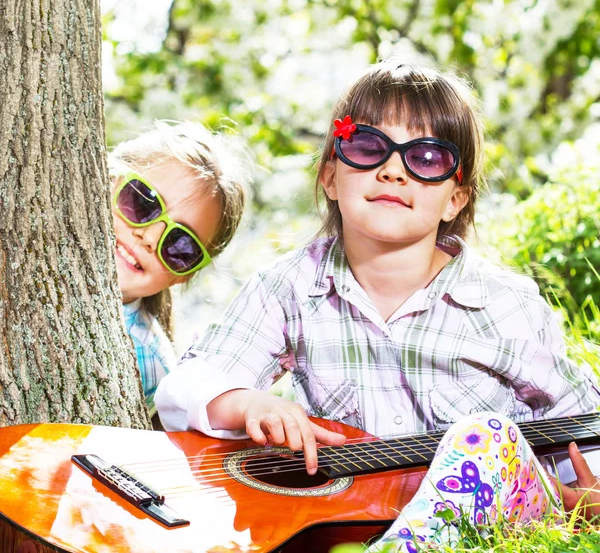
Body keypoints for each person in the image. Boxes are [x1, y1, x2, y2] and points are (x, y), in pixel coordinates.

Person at [154, 62, 600, 548]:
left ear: (456, 199)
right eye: (367, 147)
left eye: (427, 158)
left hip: (495, 513)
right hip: (358, 519)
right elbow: (189, 384)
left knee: (486, 436)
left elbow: (581, 416)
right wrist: (248, 402)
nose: (392, 170)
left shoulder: (504, 305)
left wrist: (590, 488)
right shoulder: (290, 287)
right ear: (329, 176)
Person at [109, 121, 248, 419]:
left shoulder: (149, 364)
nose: (150, 237)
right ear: (110, 178)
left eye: (179, 244)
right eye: (142, 203)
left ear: (184, 273)